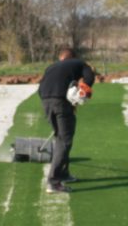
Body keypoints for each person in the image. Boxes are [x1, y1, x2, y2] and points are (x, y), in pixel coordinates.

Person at [38, 48, 96, 194]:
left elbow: (40, 88)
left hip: (45, 101)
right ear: (74, 58)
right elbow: (89, 77)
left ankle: (63, 173)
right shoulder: (80, 63)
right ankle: (54, 181)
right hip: (60, 102)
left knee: (60, 138)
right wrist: (82, 91)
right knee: (64, 141)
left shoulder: (51, 67)